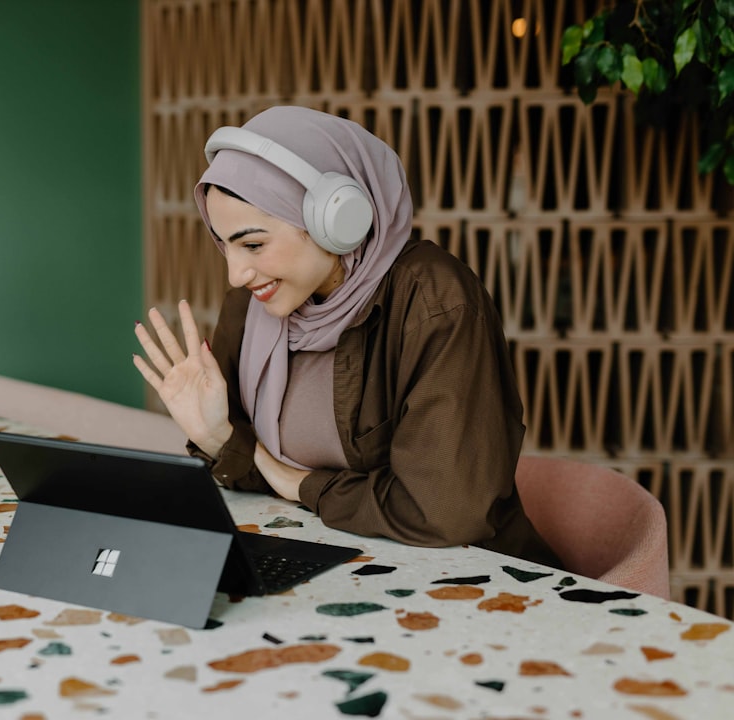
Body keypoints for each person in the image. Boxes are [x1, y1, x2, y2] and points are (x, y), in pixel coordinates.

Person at [133, 106, 561, 567]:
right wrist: (219, 437)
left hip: (474, 579)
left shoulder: (434, 299)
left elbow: (444, 511)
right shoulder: (254, 304)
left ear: (334, 220)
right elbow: (256, 481)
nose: (237, 274)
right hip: (333, 563)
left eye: (253, 244)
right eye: (225, 244)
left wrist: (298, 482)